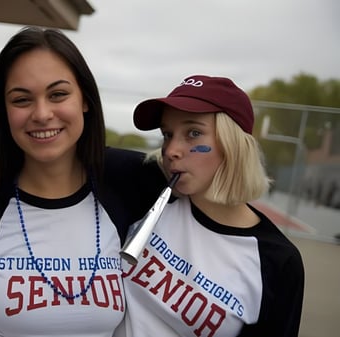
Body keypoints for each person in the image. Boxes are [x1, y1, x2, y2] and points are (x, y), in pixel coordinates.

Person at [0, 26, 167, 337]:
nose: (42, 113)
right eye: (21, 100)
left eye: (58, 94)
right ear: (3, 112)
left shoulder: (128, 181)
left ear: (85, 99)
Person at [117, 75, 305, 336]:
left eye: (193, 133)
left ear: (233, 145)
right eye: (167, 134)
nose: (171, 149)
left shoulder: (276, 260)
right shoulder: (146, 186)